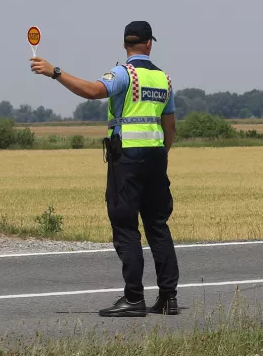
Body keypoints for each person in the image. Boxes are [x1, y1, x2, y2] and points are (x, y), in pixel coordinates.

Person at [29, 21, 180, 317]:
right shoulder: (164, 79)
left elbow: (92, 91)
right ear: (149, 44)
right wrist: (161, 153)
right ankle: (168, 298)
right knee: (158, 226)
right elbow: (170, 125)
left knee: (125, 226)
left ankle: (134, 299)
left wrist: (55, 72)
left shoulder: (123, 73)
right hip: (156, 158)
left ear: (126, 45)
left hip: (127, 160)